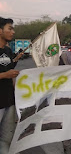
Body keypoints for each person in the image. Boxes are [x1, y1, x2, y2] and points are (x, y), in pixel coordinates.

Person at [0, 17, 22, 154]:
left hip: (9, 101)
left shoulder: (7, 51)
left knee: (6, 139)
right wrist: (4, 75)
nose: (13, 32)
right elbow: (5, 73)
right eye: (10, 28)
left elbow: (9, 69)